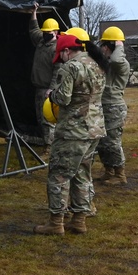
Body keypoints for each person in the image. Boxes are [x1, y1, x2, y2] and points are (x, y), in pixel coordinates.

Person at [34, 32, 105, 235]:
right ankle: (79, 220)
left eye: (60, 55)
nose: (60, 59)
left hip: (73, 130)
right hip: (95, 129)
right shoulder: (97, 63)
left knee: (59, 175)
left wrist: (51, 94)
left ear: (66, 51)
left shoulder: (71, 67)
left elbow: (63, 99)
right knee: (82, 174)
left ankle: (56, 223)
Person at [96, 26, 131, 184]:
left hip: (114, 107)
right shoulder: (106, 63)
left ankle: (120, 174)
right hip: (103, 105)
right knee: (102, 142)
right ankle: (109, 171)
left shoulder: (121, 64)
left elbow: (117, 59)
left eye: (104, 45)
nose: (102, 48)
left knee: (112, 142)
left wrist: (119, 45)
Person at [28, 5, 60, 147]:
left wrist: (51, 89)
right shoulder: (42, 41)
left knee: (48, 118)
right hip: (38, 87)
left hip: (47, 89)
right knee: (40, 117)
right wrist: (34, 13)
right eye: (45, 32)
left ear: (56, 32)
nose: (46, 34)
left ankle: (50, 145)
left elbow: (57, 71)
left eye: (49, 32)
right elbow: (33, 30)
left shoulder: (56, 48)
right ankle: (46, 142)